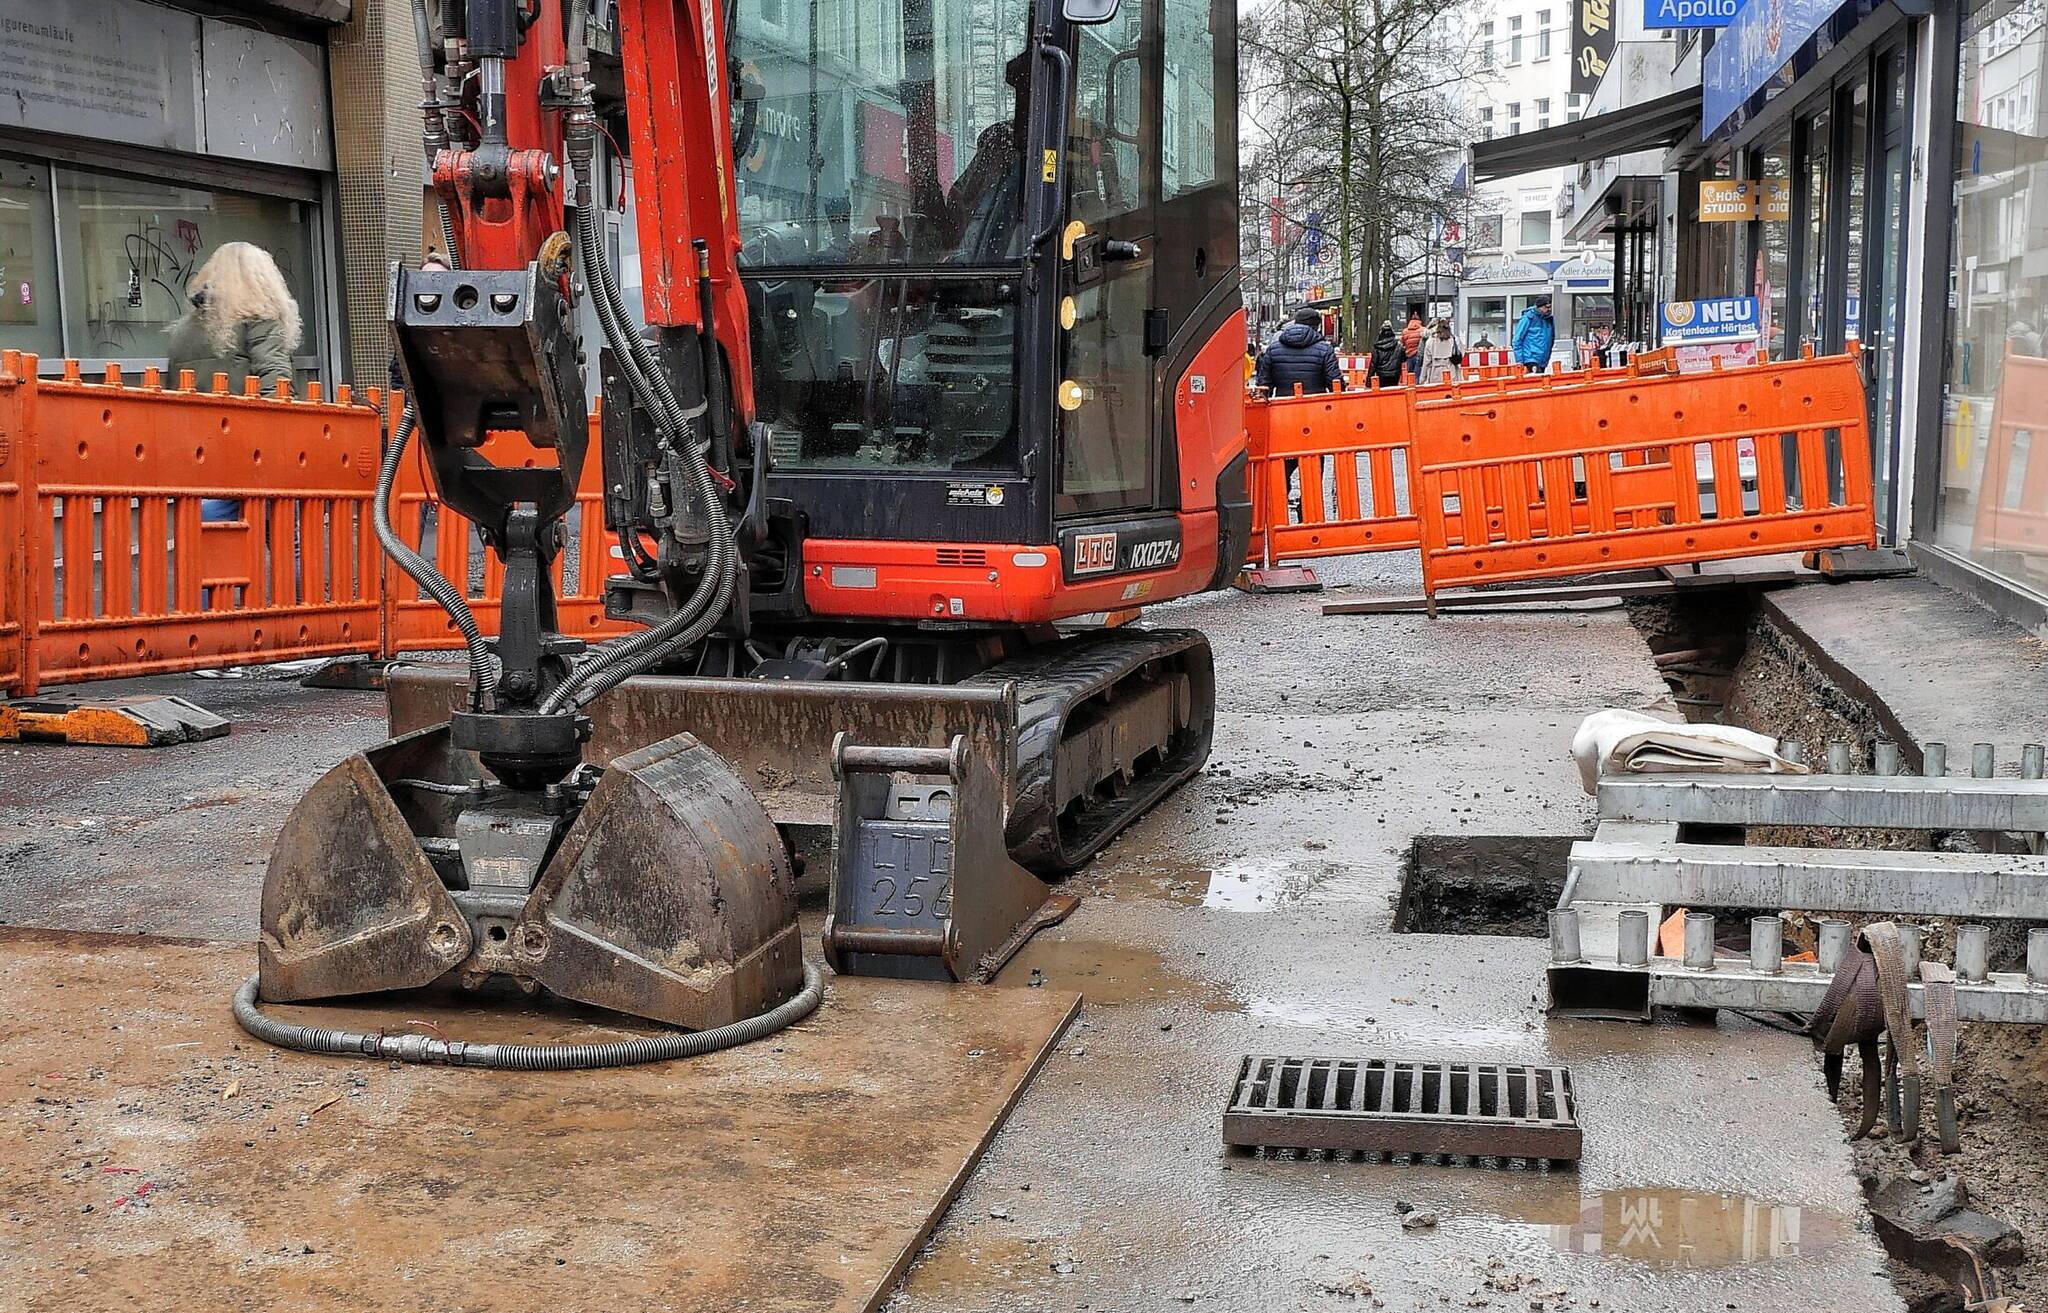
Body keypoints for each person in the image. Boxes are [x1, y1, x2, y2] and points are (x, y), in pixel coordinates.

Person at [166, 242, 303, 523]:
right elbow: (276, 382)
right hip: (252, 448)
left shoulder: (183, 331)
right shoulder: (260, 321)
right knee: (287, 539)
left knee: (213, 532)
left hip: (201, 449)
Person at [1256, 307, 1345, 395]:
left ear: (1295, 322)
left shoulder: (1273, 349)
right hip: (1317, 406)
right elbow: (1335, 382)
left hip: (1282, 405)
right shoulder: (1325, 349)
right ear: (1317, 326)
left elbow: (1264, 384)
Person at [1413, 318, 1465, 385]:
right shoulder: (1455, 340)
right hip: (1452, 373)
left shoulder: (1430, 342)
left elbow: (1426, 363)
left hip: (1435, 375)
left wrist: (1422, 379)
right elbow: (1461, 355)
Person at [1512, 294, 1556, 374]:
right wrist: (1519, 360)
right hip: (1530, 358)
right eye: (1546, 307)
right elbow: (1517, 339)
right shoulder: (1528, 318)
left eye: (1550, 307)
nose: (1549, 309)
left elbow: (1551, 339)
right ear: (1539, 307)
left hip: (1543, 360)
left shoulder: (1548, 320)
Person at [1366, 321, 1405, 388]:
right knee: (1393, 391)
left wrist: (1368, 381)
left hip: (1381, 374)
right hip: (1395, 374)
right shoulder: (1399, 345)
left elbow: (1373, 364)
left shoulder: (1377, 347)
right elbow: (1403, 358)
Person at [1399, 311, 1425, 380]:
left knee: (1410, 375)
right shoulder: (1422, 330)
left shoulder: (1405, 331)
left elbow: (1401, 343)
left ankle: (1410, 387)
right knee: (1417, 374)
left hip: (1409, 356)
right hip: (1418, 355)